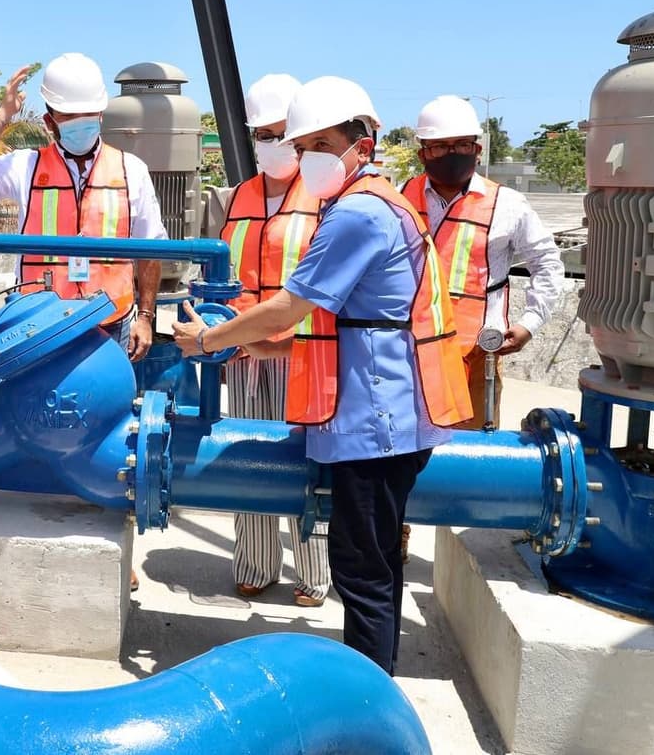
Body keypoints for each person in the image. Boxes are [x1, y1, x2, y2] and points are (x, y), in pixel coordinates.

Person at [172, 76, 471, 674]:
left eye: (319, 144)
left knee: (362, 573)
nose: (307, 157)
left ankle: (367, 703)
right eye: (301, 144)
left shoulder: (357, 214)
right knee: (374, 565)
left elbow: (292, 305)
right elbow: (357, 324)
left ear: (362, 143)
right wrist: (263, 351)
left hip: (375, 420)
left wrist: (208, 339)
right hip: (386, 411)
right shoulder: (381, 202)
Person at [0, 52, 167, 364]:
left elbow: (151, 249)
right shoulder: (25, 166)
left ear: (101, 115)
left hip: (109, 324)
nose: (80, 125)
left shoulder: (130, 169)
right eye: (69, 118)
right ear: (49, 121)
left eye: (88, 115)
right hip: (39, 326)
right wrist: (2, 117)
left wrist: (146, 317)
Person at [219, 74, 330, 608]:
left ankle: (314, 572)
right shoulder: (238, 196)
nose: (271, 144)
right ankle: (256, 564)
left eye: (281, 133)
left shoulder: (326, 198)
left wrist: (284, 342)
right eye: (261, 134)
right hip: (243, 355)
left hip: (301, 352)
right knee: (246, 458)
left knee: (305, 460)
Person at [401, 95, 564, 428]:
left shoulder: (507, 205)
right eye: (439, 146)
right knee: (405, 452)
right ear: (423, 154)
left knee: (469, 457)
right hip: (405, 351)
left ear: (477, 149)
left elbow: (547, 262)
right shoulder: (398, 197)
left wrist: (529, 322)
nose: (451, 153)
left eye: (461, 144)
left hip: (476, 357)